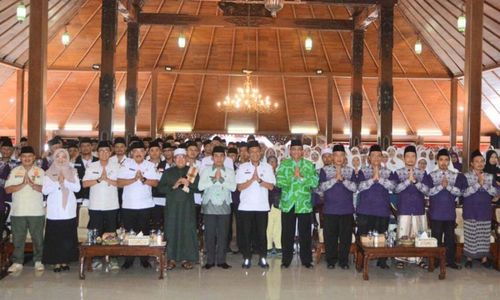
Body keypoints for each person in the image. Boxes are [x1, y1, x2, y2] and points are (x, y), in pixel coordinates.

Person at [277, 139, 319, 269]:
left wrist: (301, 177)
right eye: (293, 149)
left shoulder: (309, 165)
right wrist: (292, 178)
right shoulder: (284, 165)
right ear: (290, 151)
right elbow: (278, 182)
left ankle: (306, 260)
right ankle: (286, 260)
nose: (296, 152)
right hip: (288, 203)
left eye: (298, 149)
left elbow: (314, 182)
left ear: (302, 151)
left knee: (305, 233)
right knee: (287, 233)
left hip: (304, 203)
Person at [117, 140, 159, 269]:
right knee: (130, 233)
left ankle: (144, 258)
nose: (138, 154)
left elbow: (155, 183)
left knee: (143, 232)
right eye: (135, 151)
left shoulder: (150, 165)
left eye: (141, 151)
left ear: (145, 152)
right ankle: (129, 259)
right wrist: (134, 179)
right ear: (131, 153)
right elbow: (119, 183)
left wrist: (143, 179)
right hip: (128, 205)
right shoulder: (125, 164)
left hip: (145, 205)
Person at [5, 146, 45, 273]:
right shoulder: (14, 171)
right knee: (17, 238)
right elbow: (7, 189)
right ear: (20, 158)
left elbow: (46, 189)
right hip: (18, 211)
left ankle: (38, 261)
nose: (27, 159)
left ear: (34, 158)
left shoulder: (41, 171)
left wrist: (33, 185)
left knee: (38, 238)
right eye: (24, 156)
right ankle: (17, 262)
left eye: (29, 156)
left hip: (36, 211)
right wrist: (22, 184)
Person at [236, 141, 276, 269]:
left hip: (262, 207)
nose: (255, 154)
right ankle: (247, 258)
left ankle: (263, 258)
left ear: (261, 152)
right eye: (252, 152)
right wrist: (251, 179)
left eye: (257, 151)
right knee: (246, 234)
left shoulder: (267, 167)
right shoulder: (242, 168)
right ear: (248, 153)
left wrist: (259, 180)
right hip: (246, 207)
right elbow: (239, 187)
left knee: (261, 234)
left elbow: (271, 187)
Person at [158, 148, 200, 270]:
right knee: (171, 230)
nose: (180, 159)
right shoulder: (168, 172)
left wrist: (188, 183)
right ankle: (170, 259)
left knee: (187, 230)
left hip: (187, 207)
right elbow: (160, 188)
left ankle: (187, 259)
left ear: (186, 159)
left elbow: (199, 187)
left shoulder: (192, 171)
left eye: (183, 157)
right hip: (172, 207)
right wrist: (174, 186)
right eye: (178, 157)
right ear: (174, 159)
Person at [317, 144, 357, 270]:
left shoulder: (350, 171)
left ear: (345, 157)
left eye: (341, 155)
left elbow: (355, 188)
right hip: (330, 209)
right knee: (330, 237)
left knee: (345, 237)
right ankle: (331, 260)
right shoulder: (325, 170)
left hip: (346, 210)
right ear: (332, 157)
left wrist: (343, 180)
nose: (339, 158)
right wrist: (335, 179)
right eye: (336, 155)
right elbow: (321, 188)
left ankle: (344, 261)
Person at [82, 141, 120, 270]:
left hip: (112, 204)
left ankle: (113, 258)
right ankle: (96, 258)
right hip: (95, 205)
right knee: (95, 233)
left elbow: (121, 184)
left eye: (106, 151)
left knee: (111, 233)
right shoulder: (92, 166)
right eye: (101, 151)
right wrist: (99, 179)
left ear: (110, 153)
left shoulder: (116, 166)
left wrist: (108, 180)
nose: (104, 153)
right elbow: (85, 184)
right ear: (97, 153)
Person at [393, 145, 432, 269]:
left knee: (419, 234)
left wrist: (415, 182)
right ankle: (401, 258)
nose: (410, 159)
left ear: (416, 158)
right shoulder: (398, 173)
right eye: (408, 156)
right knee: (403, 234)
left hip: (418, 209)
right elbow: (395, 189)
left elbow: (428, 191)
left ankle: (419, 259)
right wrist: (407, 181)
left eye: (413, 156)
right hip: (404, 208)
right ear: (404, 158)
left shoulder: (422, 173)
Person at [42, 148, 81, 272]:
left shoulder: (73, 171)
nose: (60, 159)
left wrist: (65, 181)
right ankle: (56, 262)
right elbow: (45, 190)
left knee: (67, 236)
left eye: (63, 157)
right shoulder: (48, 172)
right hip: (54, 209)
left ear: (67, 158)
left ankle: (65, 260)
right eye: (58, 156)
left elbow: (77, 188)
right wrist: (57, 183)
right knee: (55, 236)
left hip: (68, 209)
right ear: (54, 158)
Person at [356, 144, 395, 269]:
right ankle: (361, 261)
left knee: (382, 236)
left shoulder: (388, 172)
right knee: (363, 237)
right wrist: (373, 179)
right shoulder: (363, 171)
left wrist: (381, 179)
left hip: (382, 209)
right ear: (368, 158)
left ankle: (382, 261)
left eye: (379, 156)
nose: (376, 158)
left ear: (382, 157)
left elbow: (394, 187)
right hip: (365, 209)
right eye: (373, 156)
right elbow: (359, 187)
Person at [198, 146, 236, 269]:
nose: (219, 158)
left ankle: (221, 260)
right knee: (209, 233)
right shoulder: (206, 170)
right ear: (212, 157)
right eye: (216, 156)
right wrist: (214, 180)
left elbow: (233, 187)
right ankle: (209, 260)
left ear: (224, 158)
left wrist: (221, 180)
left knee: (223, 234)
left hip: (224, 204)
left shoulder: (230, 171)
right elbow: (200, 186)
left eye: (221, 156)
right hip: (209, 204)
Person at [462, 150, 499, 269]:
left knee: (483, 236)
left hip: (484, 210)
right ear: (472, 163)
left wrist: (484, 184)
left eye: (482, 161)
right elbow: (464, 193)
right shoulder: (465, 176)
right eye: (476, 161)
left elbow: (496, 192)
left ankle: (484, 259)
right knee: (471, 235)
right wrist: (478, 184)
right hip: (470, 210)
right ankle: (469, 258)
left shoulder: (489, 176)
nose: (480, 163)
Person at [428, 148, 463, 269]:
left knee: (449, 238)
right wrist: (440, 187)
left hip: (449, 212)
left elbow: (459, 192)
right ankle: (436, 261)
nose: (443, 162)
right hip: (436, 212)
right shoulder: (431, 175)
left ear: (449, 162)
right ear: (437, 161)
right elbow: (428, 192)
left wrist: (447, 187)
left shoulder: (455, 175)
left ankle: (450, 261)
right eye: (441, 159)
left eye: (446, 160)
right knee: (436, 237)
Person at [150, 141, 169, 231]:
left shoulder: (166, 165)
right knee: (152, 224)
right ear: (148, 152)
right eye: (152, 150)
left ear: (160, 152)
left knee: (164, 223)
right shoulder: (145, 164)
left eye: (157, 150)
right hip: (148, 198)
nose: (154, 153)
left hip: (163, 198)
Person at [74, 137, 98, 206]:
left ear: (91, 147)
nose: (85, 148)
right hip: (78, 196)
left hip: (94, 196)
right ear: (80, 149)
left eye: (88, 145)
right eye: (83, 146)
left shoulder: (98, 161)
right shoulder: (74, 161)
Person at [266, 155, 282, 257]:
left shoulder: (280, 175)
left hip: (278, 203)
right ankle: (268, 246)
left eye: (274, 162)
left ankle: (278, 246)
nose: (272, 164)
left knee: (278, 226)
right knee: (268, 226)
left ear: (277, 164)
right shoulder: (264, 175)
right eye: (270, 162)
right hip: (266, 203)